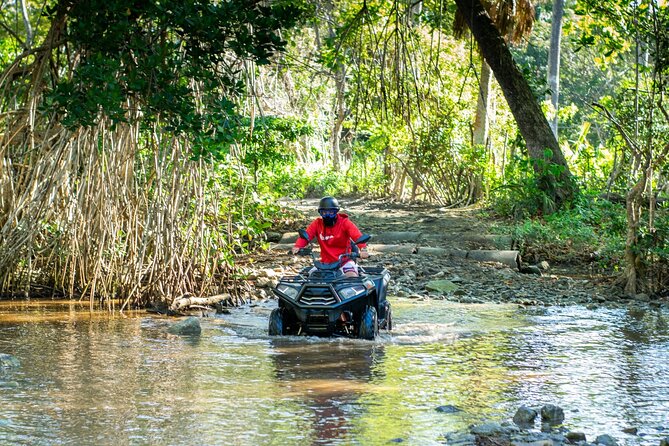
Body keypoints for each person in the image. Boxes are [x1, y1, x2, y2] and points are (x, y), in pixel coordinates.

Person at [292, 196, 369, 277]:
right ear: (320, 213)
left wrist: (363, 249)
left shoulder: (344, 223)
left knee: (351, 276)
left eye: (331, 212)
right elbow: (307, 235)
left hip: (344, 262)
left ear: (336, 212)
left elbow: (357, 235)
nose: (327, 215)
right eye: (324, 213)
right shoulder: (317, 224)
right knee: (308, 278)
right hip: (324, 264)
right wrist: (298, 246)